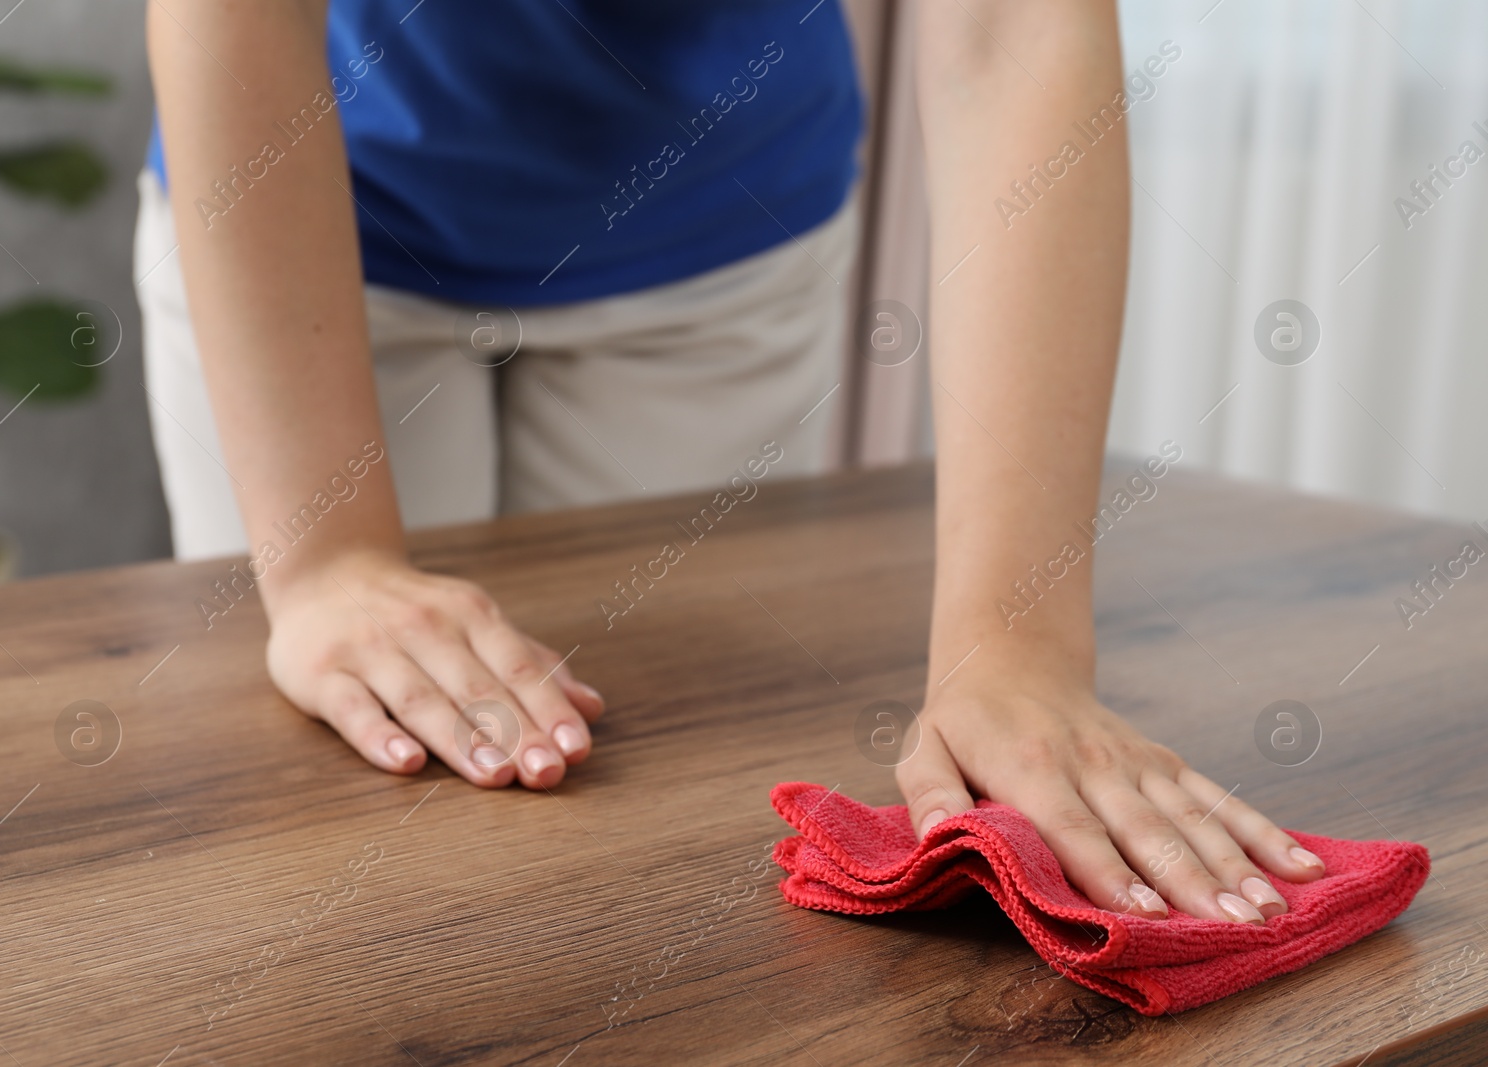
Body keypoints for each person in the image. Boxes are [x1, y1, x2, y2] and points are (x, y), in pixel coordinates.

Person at [140, 0, 1325, 927]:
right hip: (319, 193)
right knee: (335, 811)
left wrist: (1019, 648)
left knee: (641, 830)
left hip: (719, 226)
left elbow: (1013, 26)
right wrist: (330, 563)